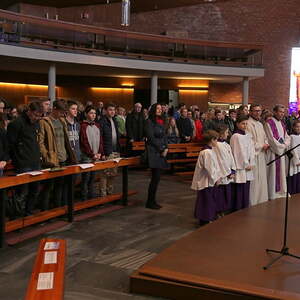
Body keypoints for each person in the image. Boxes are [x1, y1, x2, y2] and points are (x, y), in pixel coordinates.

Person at [38, 100, 77, 210]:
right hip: (52, 159)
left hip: (63, 157)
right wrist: (46, 155)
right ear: (54, 109)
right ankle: (45, 211)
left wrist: (70, 154)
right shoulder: (44, 121)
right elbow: (40, 141)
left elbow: (66, 140)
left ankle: (58, 209)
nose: (62, 114)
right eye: (60, 111)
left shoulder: (62, 121)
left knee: (60, 186)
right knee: (49, 186)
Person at [7, 102, 43, 216]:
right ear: (29, 111)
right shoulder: (16, 123)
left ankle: (28, 213)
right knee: (22, 192)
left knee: (35, 190)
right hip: (23, 163)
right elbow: (10, 144)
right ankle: (17, 216)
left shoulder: (36, 123)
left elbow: (36, 142)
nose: (37, 118)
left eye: (39, 116)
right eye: (35, 115)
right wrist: (18, 160)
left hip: (35, 161)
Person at [191, 130, 221, 225]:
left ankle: (207, 218)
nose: (217, 142)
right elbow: (210, 168)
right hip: (206, 181)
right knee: (206, 201)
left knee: (208, 200)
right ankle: (205, 219)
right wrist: (216, 178)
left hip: (208, 181)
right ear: (212, 140)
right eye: (216, 140)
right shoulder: (206, 152)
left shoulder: (210, 150)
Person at [144, 103, 169, 209]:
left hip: (161, 152)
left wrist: (166, 147)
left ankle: (152, 200)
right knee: (155, 178)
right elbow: (150, 138)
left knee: (157, 178)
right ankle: (150, 202)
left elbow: (164, 136)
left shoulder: (161, 121)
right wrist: (161, 148)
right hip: (154, 152)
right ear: (153, 109)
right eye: (157, 108)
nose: (159, 110)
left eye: (160, 108)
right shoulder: (149, 121)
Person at [265, 105, 291, 200]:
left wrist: (284, 145)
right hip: (273, 153)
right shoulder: (269, 123)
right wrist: (281, 147)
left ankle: (281, 191)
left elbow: (287, 137)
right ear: (275, 112)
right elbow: (271, 139)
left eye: (283, 112)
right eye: (280, 112)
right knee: (272, 173)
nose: (282, 114)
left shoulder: (282, 124)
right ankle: (272, 193)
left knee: (281, 172)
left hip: (281, 152)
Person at [230, 115, 255, 211]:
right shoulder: (235, 136)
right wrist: (245, 164)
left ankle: (245, 207)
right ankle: (237, 208)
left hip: (248, 166)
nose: (245, 126)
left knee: (246, 188)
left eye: (246, 124)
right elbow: (238, 152)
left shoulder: (248, 135)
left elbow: (251, 150)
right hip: (240, 167)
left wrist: (251, 162)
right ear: (237, 124)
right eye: (243, 124)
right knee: (239, 188)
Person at [80, 106, 104, 200]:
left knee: (92, 178)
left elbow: (100, 140)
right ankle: (84, 198)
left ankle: (91, 197)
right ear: (86, 114)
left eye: (94, 113)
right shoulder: (83, 126)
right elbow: (84, 142)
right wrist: (91, 154)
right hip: (87, 156)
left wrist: (99, 153)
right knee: (86, 179)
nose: (93, 115)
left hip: (95, 155)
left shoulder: (97, 125)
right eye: (91, 113)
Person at [247, 104, 269, 205]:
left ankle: (262, 199)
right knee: (255, 180)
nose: (258, 113)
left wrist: (266, 143)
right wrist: (261, 145)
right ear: (250, 112)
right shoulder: (248, 124)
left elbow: (265, 137)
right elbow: (249, 141)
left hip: (261, 154)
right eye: (255, 111)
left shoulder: (260, 124)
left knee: (262, 178)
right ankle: (253, 201)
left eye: (259, 111)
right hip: (254, 155)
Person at [100, 103, 121, 197]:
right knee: (105, 174)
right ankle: (103, 194)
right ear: (105, 110)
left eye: (113, 110)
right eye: (110, 110)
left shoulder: (115, 121)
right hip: (107, 151)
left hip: (115, 150)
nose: (112, 111)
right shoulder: (102, 121)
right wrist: (102, 153)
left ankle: (110, 193)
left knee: (113, 173)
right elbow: (100, 138)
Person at [214, 125, 236, 215]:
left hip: (228, 173)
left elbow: (231, 158)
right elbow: (221, 161)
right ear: (221, 134)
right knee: (220, 195)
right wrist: (228, 172)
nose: (228, 134)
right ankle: (219, 211)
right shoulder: (217, 145)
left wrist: (233, 169)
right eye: (226, 132)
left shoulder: (226, 144)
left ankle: (223, 210)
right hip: (222, 174)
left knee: (226, 195)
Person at [287, 120, 300, 195]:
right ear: (293, 127)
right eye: (297, 127)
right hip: (294, 161)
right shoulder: (291, 137)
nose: (298, 128)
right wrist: (297, 160)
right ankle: (293, 192)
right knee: (294, 175)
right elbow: (293, 150)